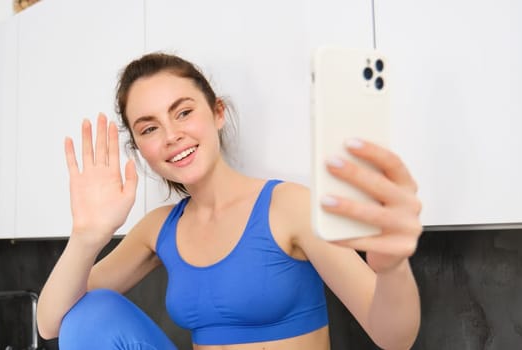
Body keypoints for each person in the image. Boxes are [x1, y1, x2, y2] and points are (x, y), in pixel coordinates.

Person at [37, 53, 422, 350]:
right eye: (150, 128)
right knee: (90, 314)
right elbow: (52, 323)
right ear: (140, 148)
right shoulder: (158, 229)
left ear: (217, 113)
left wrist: (393, 269)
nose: (172, 135)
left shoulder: (287, 206)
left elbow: (394, 337)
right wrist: (87, 235)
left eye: (184, 112)